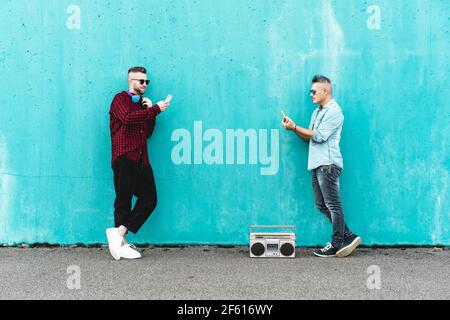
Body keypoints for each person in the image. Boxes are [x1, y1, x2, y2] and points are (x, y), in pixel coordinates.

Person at [281, 75, 361, 257]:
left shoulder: (334, 112)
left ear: (325, 91)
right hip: (317, 165)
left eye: (313, 91)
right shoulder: (317, 112)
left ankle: (337, 242)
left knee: (332, 204)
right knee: (321, 205)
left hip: (328, 164)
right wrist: (293, 128)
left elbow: (319, 136)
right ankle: (348, 235)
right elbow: (309, 137)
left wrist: (295, 127)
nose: (310, 94)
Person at [106, 66, 170, 260]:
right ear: (131, 81)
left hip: (142, 159)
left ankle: (119, 233)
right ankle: (121, 244)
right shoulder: (120, 99)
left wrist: (150, 111)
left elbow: (147, 132)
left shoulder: (142, 105)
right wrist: (155, 109)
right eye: (141, 81)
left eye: (146, 82)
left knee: (150, 199)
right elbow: (127, 118)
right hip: (125, 156)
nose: (144, 85)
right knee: (123, 200)